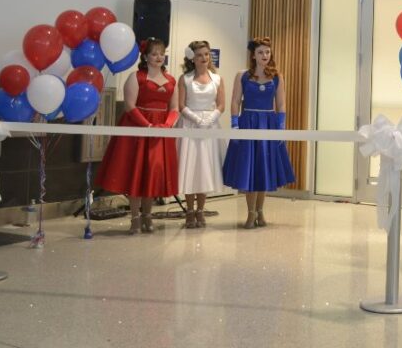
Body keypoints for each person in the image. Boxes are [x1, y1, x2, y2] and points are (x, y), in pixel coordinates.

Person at [96, 38, 180, 234]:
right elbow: (130, 106)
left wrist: (167, 125)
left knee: (152, 173)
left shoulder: (171, 80)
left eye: (161, 53)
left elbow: (175, 107)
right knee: (136, 173)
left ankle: (148, 216)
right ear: (145, 56)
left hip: (161, 131)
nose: (159, 57)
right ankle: (135, 218)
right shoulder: (136, 77)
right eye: (154, 53)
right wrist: (148, 126)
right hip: (138, 130)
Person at [222, 37, 295, 228]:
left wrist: (280, 127)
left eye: (267, 52)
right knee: (249, 169)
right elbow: (235, 100)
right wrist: (235, 124)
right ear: (253, 55)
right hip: (248, 122)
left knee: (264, 169)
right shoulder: (243, 75)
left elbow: (281, 103)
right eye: (261, 52)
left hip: (268, 123)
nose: (265, 55)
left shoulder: (277, 76)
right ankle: (250, 213)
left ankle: (260, 212)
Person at [176, 40, 226, 229]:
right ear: (192, 58)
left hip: (210, 126)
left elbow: (221, 104)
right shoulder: (185, 79)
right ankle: (189, 210)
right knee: (190, 167)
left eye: (206, 54)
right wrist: (196, 120)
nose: (204, 58)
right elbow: (181, 105)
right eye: (199, 55)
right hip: (190, 125)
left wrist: (210, 118)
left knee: (205, 167)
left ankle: (201, 210)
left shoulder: (217, 79)